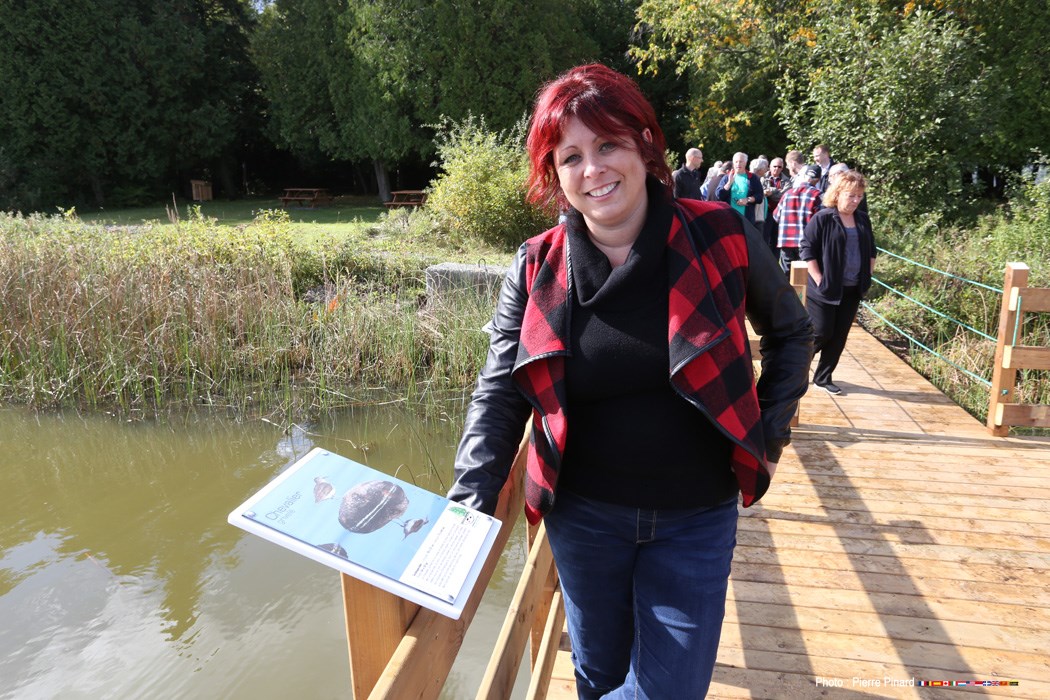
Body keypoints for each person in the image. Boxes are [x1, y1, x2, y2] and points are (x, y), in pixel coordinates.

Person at [447, 63, 813, 700]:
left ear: (644, 145)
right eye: (571, 157)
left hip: (695, 515)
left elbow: (792, 332)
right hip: (585, 517)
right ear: (553, 175)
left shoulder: (720, 235)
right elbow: (500, 392)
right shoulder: (536, 266)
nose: (594, 170)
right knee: (599, 675)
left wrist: (768, 433)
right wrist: (468, 506)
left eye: (608, 144)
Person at [800, 170, 876, 396]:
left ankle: (823, 378)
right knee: (822, 331)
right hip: (824, 289)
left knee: (839, 335)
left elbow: (871, 250)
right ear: (838, 193)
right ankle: (795, 372)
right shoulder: (823, 217)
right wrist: (819, 279)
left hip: (852, 288)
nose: (855, 201)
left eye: (859, 196)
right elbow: (806, 250)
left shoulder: (862, 219)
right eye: (851, 195)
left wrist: (868, 275)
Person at [773, 164, 823, 274]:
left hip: (786, 240)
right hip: (806, 243)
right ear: (818, 179)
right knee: (803, 278)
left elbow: (776, 216)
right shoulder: (818, 195)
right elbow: (820, 223)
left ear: (804, 176)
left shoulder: (788, 193)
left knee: (786, 277)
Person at [716, 152, 765, 224]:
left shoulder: (752, 177)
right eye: (736, 162)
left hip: (747, 219)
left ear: (745, 163)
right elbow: (719, 195)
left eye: (741, 161)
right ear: (733, 163)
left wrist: (748, 200)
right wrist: (729, 183)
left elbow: (760, 196)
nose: (738, 164)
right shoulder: (727, 177)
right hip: (729, 217)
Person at [762, 157, 791, 252]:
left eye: (779, 167)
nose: (776, 169)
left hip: (780, 214)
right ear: (769, 166)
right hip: (766, 212)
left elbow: (783, 196)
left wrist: (771, 192)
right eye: (774, 166)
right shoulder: (763, 178)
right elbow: (761, 193)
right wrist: (777, 191)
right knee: (765, 237)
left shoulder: (787, 181)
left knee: (776, 239)